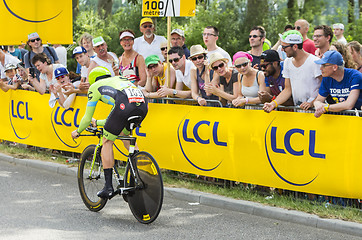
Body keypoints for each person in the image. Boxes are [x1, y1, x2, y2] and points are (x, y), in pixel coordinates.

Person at [71, 66, 148, 198]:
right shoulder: (119, 79)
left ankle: (108, 187)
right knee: (125, 136)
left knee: (107, 141)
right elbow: (115, 118)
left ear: (93, 79)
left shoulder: (95, 86)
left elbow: (87, 117)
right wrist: (99, 122)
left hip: (124, 105)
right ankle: (141, 172)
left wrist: (78, 131)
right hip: (143, 105)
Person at [263, 30, 322, 113]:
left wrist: (312, 102)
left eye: (284, 47)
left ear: (295, 47)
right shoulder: (287, 62)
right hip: (298, 110)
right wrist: (273, 104)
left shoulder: (314, 62)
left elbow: (325, 86)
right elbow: (287, 89)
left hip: (315, 111)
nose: (282, 50)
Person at [313, 50, 362, 117]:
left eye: (324, 65)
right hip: (339, 119)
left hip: (356, 119)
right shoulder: (327, 78)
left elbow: (349, 105)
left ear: (335, 67)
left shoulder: (355, 76)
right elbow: (318, 100)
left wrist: (326, 107)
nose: (321, 68)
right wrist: (318, 105)